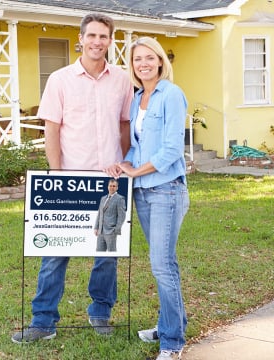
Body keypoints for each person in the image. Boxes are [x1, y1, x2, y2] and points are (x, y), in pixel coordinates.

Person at [11, 13, 133, 343]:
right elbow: (52, 128)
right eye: (91, 35)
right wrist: (57, 172)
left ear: (110, 40)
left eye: (103, 36)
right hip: (69, 179)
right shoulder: (60, 79)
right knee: (54, 252)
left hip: (109, 180)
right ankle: (43, 321)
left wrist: (122, 164)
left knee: (106, 253)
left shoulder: (122, 80)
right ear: (80, 39)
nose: (97, 42)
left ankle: (101, 312)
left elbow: (124, 126)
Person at [116, 36, 189, 360]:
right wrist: (125, 164)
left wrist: (138, 171)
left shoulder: (171, 95)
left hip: (166, 189)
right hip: (144, 192)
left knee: (163, 265)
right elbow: (137, 144)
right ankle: (171, 322)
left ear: (160, 61)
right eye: (137, 60)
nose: (143, 63)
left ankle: (172, 342)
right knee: (161, 264)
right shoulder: (137, 98)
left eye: (149, 58)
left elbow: (172, 148)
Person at [94, 179, 126, 252]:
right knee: (99, 252)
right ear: (108, 187)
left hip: (111, 231)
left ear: (117, 187)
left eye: (114, 186)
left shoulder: (120, 199)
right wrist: (96, 227)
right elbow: (99, 214)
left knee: (111, 252)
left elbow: (122, 216)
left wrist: (116, 230)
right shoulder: (103, 198)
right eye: (110, 186)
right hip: (100, 231)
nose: (112, 188)